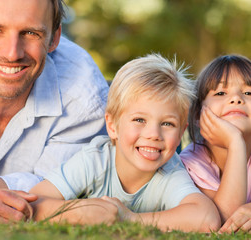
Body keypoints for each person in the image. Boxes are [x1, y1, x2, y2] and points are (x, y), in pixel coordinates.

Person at [29, 54, 221, 232]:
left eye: (167, 124)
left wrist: (129, 218)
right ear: (112, 126)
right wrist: (80, 211)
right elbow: (33, 202)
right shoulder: (95, 160)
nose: (154, 134)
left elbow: (207, 218)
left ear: (180, 134)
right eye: (139, 120)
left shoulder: (170, 171)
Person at [0, 0, 109, 227]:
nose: (12, 53)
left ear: (54, 38)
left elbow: (55, 190)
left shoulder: (85, 97)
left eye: (30, 33)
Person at [180, 55, 251, 233]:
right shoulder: (193, 162)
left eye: (249, 93)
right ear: (198, 115)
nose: (236, 99)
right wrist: (236, 143)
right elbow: (222, 220)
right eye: (220, 93)